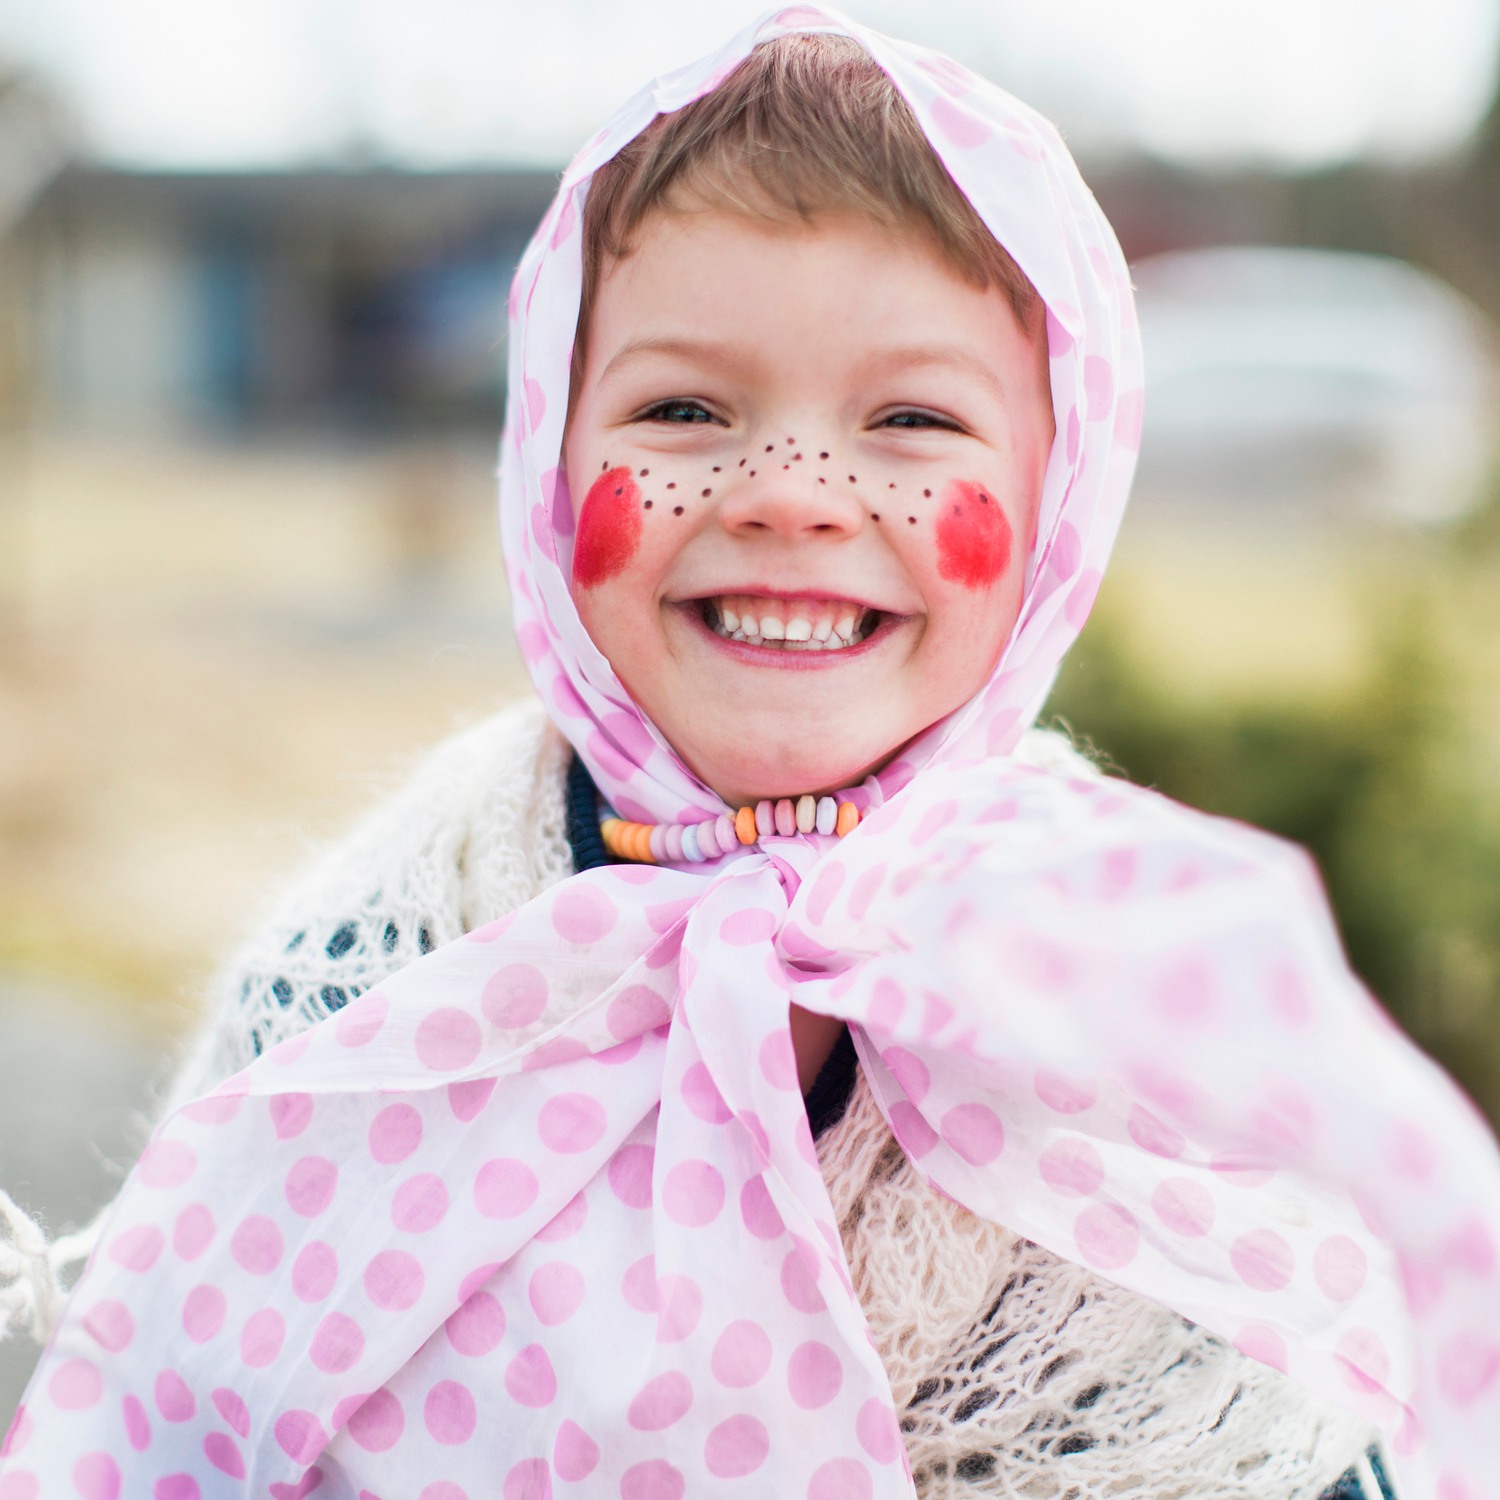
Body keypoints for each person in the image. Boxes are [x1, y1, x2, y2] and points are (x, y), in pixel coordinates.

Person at [2, 10, 1498, 1498]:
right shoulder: (372, 962)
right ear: (550, 458)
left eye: (912, 417)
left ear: (1055, 505)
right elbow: (186, 1397)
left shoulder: (1126, 989)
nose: (789, 493)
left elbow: (1281, 1423)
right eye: (684, 408)